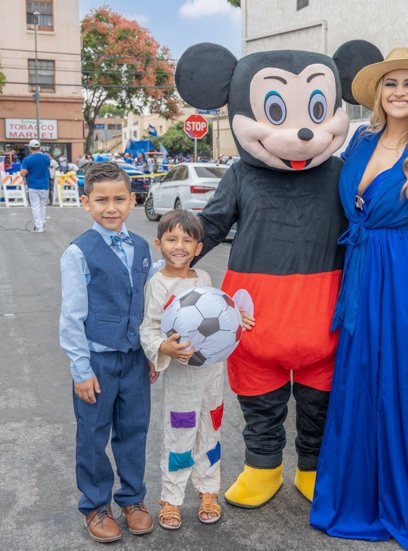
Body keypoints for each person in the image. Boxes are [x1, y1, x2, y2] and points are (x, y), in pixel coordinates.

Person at [310, 48, 408, 550]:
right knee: (353, 383)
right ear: (378, 94)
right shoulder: (360, 139)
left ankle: (396, 503)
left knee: (395, 386)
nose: (398, 91)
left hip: (398, 278)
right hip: (359, 269)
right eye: (390, 83)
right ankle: (349, 497)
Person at [139, 210, 255, 529]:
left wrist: (235, 316)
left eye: (187, 241)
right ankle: (172, 498)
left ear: (198, 248)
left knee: (210, 432)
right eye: (171, 239)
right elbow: (148, 329)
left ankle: (208, 490)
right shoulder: (158, 284)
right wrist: (163, 348)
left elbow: (217, 311)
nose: (179, 246)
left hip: (212, 374)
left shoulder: (203, 278)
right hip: (181, 378)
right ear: (158, 243)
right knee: (180, 435)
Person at [59, 162, 156, 543]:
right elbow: (71, 316)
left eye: (119, 198)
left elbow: (150, 306)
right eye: (101, 200)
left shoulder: (143, 247)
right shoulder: (78, 253)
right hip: (96, 361)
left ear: (133, 200)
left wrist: (151, 354)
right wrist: (80, 369)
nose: (111, 207)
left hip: (134, 359)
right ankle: (96, 504)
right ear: (86, 202)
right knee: (93, 434)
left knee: (134, 430)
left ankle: (132, 499)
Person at [20, 140, 50, 233]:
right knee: (42, 205)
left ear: (30, 148)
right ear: (39, 147)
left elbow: (22, 173)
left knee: (35, 206)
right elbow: (47, 168)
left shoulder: (27, 159)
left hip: (33, 185)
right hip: (45, 185)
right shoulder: (46, 157)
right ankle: (42, 222)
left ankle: (38, 226)